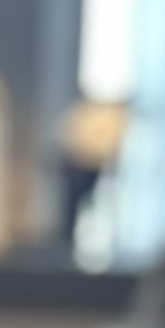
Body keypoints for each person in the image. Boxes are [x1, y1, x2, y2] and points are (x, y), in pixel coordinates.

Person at [57, 97, 130, 245]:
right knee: (74, 204)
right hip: (79, 164)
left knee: (98, 201)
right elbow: (70, 137)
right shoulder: (82, 112)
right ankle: (68, 239)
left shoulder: (111, 115)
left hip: (95, 165)